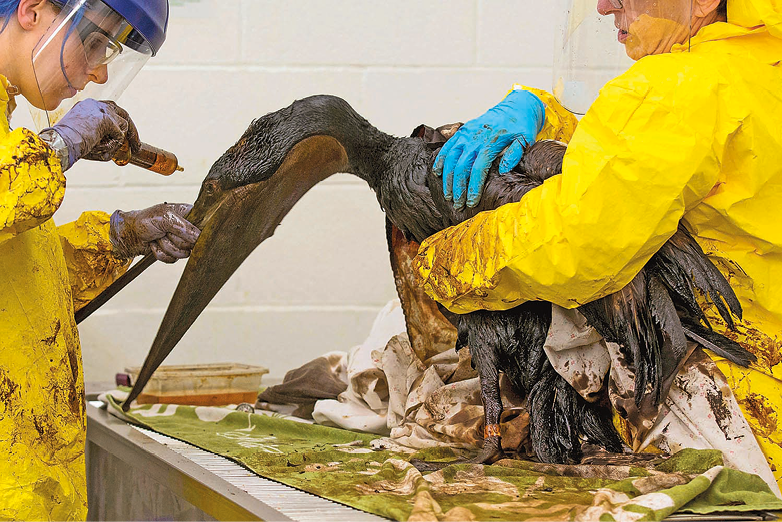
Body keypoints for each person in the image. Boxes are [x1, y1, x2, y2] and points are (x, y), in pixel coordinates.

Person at [416, 0, 782, 489]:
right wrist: (541, 113)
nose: (605, 5)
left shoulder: (679, 87)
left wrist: (443, 264)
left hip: (740, 407)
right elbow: (637, 155)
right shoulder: (756, 68)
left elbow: (577, 242)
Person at [0, 0, 199, 518]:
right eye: (93, 43)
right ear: (33, 10)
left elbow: (21, 287)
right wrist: (61, 143)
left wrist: (120, 237)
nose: (99, 72)